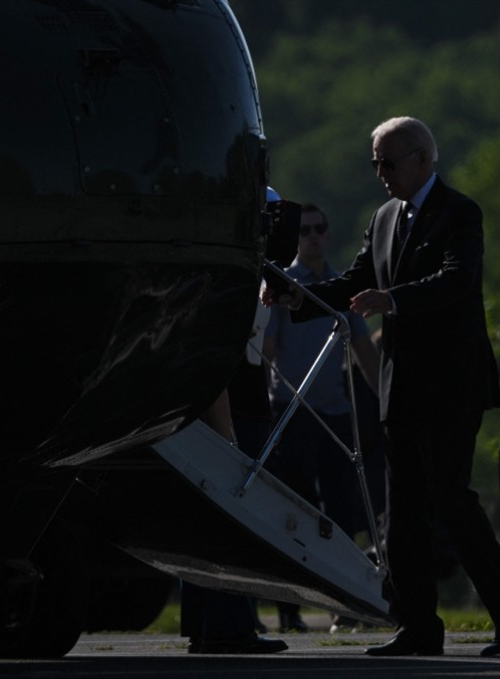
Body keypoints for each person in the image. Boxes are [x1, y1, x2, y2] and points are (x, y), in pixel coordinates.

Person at [265, 116, 500, 657]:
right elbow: (356, 281)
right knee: (404, 509)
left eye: (387, 163)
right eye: (375, 164)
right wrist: (297, 297)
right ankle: (417, 626)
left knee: (450, 498)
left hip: (450, 384)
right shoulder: (385, 217)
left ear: (422, 159)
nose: (380, 174)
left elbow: (458, 279)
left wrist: (395, 300)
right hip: (401, 385)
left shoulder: (459, 212)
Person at [179, 189, 289, 655]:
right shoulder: (236, 277)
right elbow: (220, 360)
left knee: (207, 518)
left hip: (235, 404)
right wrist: (226, 434)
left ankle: (205, 623)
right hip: (232, 410)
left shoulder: (237, 271)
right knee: (235, 518)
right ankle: (229, 626)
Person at [263, 203, 381, 633]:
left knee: (341, 511)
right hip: (291, 409)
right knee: (295, 510)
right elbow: (268, 349)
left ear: (328, 235)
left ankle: (343, 603)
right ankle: (290, 607)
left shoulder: (342, 286)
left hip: (334, 412)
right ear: (296, 239)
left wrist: (385, 400)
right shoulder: (283, 285)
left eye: (319, 229)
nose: (312, 236)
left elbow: (364, 349)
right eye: (305, 230)